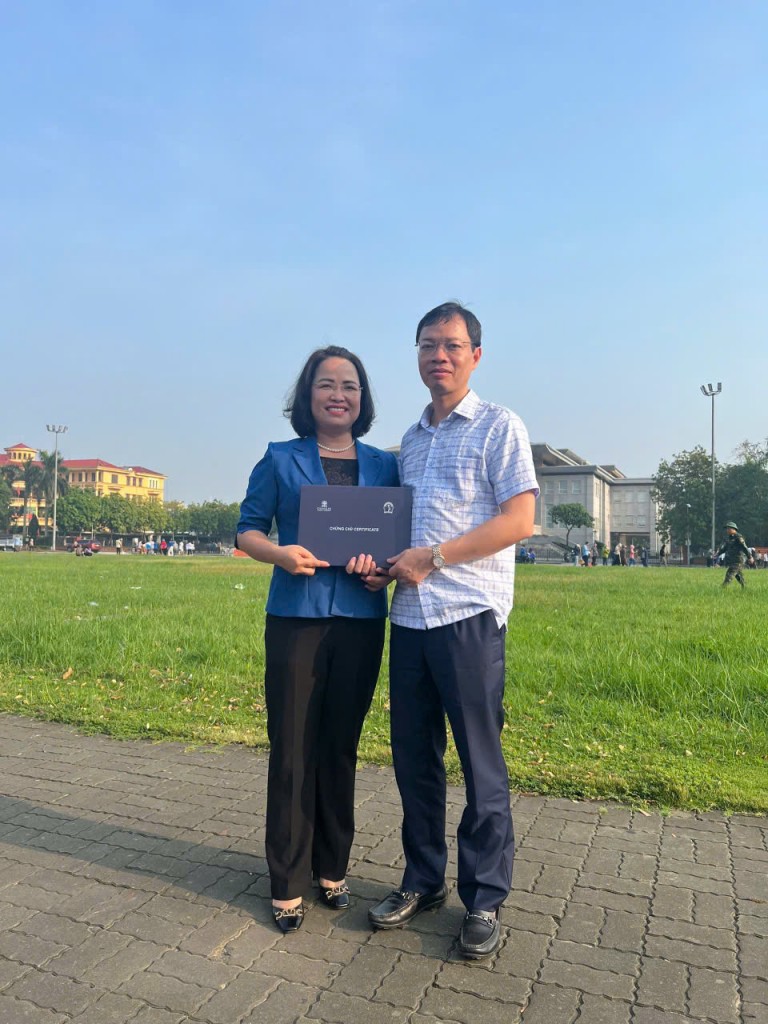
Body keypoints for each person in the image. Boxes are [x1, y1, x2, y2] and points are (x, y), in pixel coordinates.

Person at [364, 302, 538, 960]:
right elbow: (402, 532)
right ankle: (423, 879)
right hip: (408, 620)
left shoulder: (499, 427)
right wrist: (384, 567)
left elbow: (520, 519)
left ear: (475, 356)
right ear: (416, 355)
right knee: (414, 762)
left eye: (452, 345)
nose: (439, 355)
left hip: (467, 618)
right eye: (428, 345)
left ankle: (486, 897)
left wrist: (432, 558)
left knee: (480, 764)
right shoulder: (409, 441)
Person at [236, 346, 399, 934]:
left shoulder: (385, 465)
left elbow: (392, 543)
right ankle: (287, 880)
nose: (339, 395)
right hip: (296, 621)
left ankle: (333, 867)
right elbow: (246, 528)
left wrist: (383, 570)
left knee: (339, 746)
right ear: (307, 397)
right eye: (326, 384)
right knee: (293, 746)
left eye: (350, 385)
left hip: (360, 620)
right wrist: (280, 553)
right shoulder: (280, 459)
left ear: (363, 398)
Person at [716, 521, 754, 588]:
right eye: (727, 529)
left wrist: (750, 557)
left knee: (729, 574)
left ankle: (722, 588)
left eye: (729, 528)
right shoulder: (728, 538)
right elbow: (724, 548)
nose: (727, 530)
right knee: (738, 575)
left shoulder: (738, 537)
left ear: (734, 529)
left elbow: (744, 547)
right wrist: (718, 554)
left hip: (738, 560)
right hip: (732, 560)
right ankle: (745, 587)